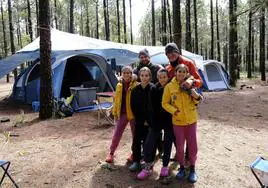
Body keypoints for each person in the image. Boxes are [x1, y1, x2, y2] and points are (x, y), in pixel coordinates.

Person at [162, 64, 202, 183]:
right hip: (178, 122)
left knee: (193, 146)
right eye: (179, 71)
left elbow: (197, 101)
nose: (181, 74)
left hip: (191, 120)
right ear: (175, 73)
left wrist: (196, 96)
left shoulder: (190, 85)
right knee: (179, 147)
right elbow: (164, 103)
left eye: (184, 72)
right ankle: (182, 168)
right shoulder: (169, 86)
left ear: (186, 74)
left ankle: (193, 169)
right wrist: (174, 111)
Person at [165, 42, 203, 162]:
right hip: (174, 104)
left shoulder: (188, 63)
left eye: (173, 52)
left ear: (178, 52)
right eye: (168, 53)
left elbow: (199, 81)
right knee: (177, 132)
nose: (171, 55)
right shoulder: (168, 68)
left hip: (188, 102)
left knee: (189, 133)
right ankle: (179, 154)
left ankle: (189, 157)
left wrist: (191, 81)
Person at [136, 69, 174, 182]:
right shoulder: (153, 88)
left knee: (167, 144)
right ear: (157, 78)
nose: (162, 79)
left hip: (169, 121)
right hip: (156, 122)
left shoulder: (172, 87)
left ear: (168, 77)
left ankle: (165, 167)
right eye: (160, 77)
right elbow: (150, 106)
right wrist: (151, 121)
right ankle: (148, 167)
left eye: (164, 77)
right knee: (148, 143)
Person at [105, 66, 138, 163]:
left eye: (129, 73)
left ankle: (134, 153)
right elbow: (117, 99)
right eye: (125, 73)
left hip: (133, 114)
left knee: (135, 135)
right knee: (117, 133)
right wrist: (114, 110)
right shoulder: (119, 85)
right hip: (122, 113)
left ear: (131, 74)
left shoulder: (135, 85)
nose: (127, 75)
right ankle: (111, 153)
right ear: (122, 74)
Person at [129, 67, 154, 172]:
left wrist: (148, 120)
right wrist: (140, 119)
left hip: (150, 121)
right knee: (136, 140)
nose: (144, 78)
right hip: (139, 120)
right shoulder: (135, 90)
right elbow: (133, 106)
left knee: (149, 142)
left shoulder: (153, 89)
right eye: (142, 75)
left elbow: (155, 106)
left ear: (150, 76)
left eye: (146, 75)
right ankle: (136, 161)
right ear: (139, 76)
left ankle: (149, 161)